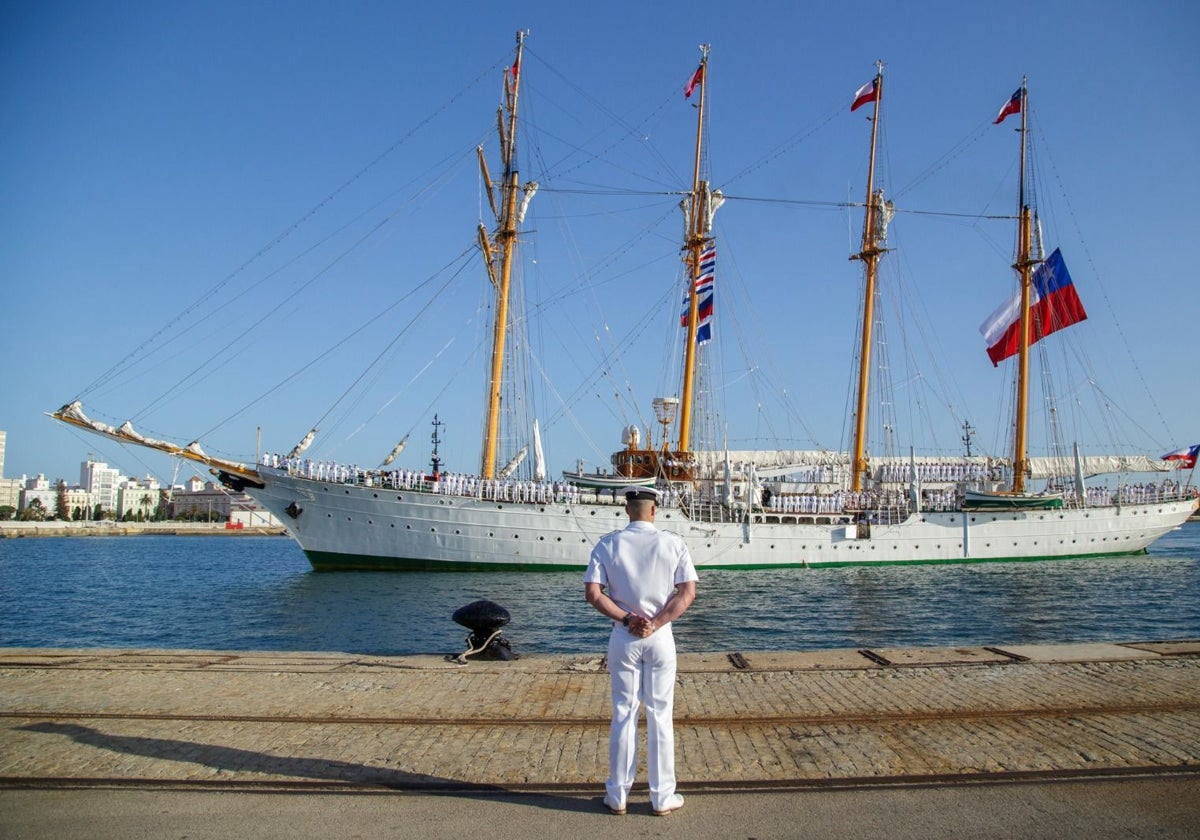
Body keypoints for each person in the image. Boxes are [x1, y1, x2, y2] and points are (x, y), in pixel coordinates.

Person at [584, 485, 698, 817]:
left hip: (624, 636)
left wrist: (628, 618)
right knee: (661, 714)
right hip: (660, 638)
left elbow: (593, 593)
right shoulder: (673, 543)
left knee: (623, 712)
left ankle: (617, 795)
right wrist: (657, 621)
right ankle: (662, 797)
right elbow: (687, 592)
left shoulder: (608, 544)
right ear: (653, 511)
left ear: (627, 510)